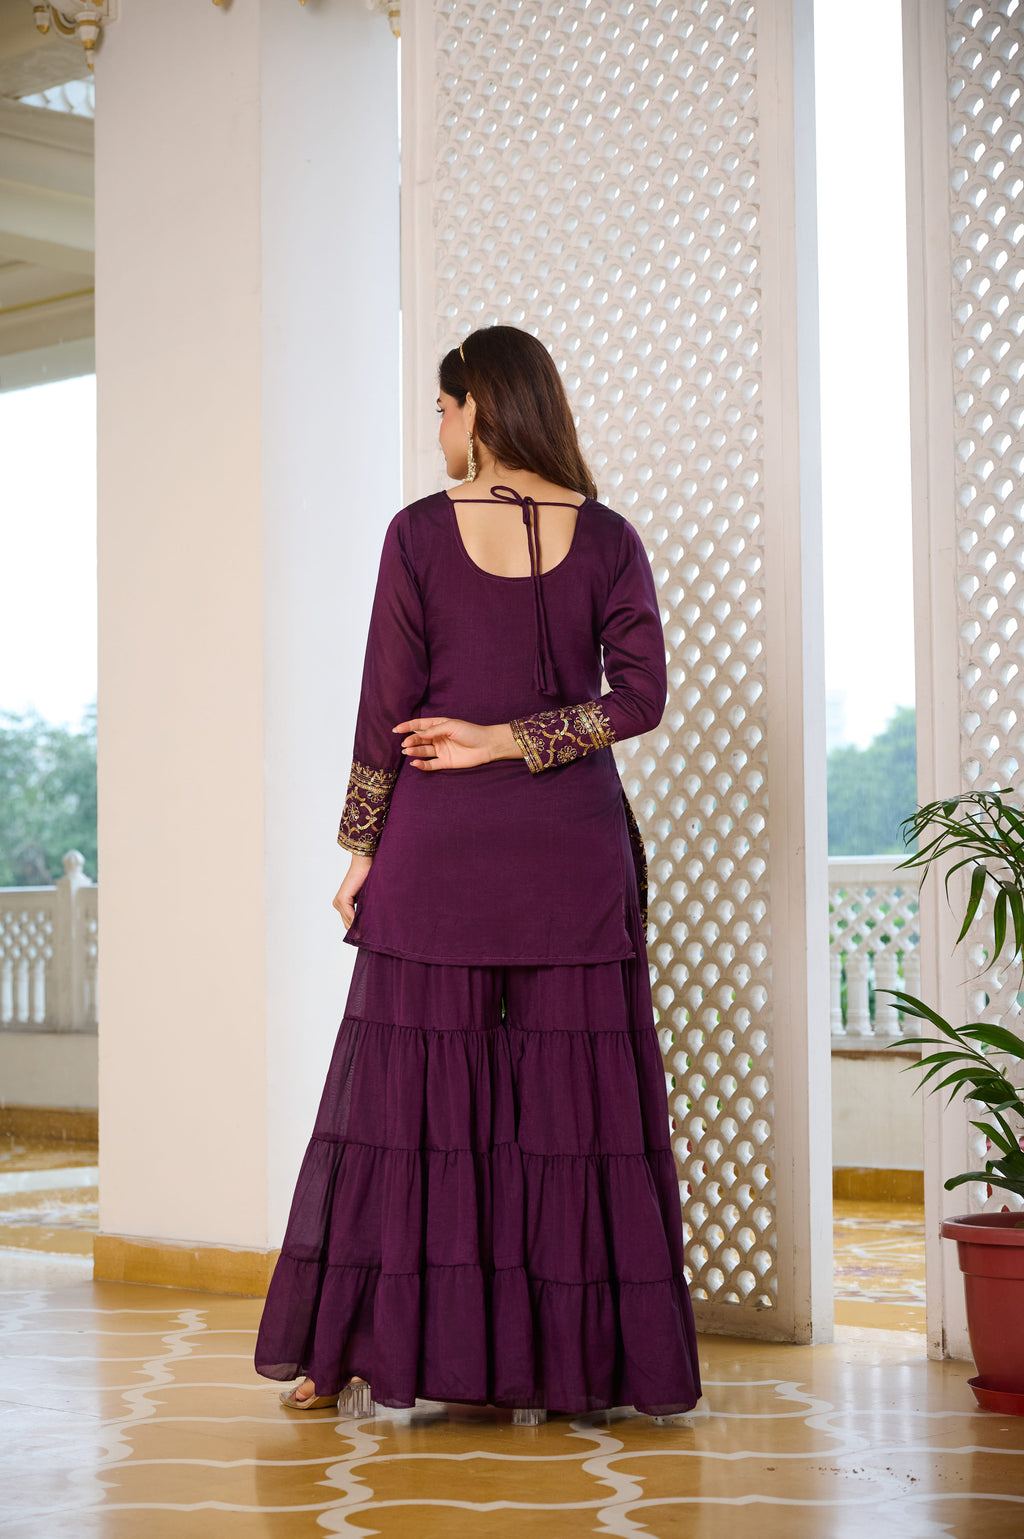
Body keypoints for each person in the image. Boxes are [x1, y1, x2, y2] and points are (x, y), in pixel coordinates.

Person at [253, 324, 701, 1424]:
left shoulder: (416, 533)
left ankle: (347, 1351)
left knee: (405, 1111)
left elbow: (384, 709)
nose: (439, 431)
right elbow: (638, 699)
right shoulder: (609, 537)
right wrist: (521, 739)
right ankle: (580, 1367)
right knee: (569, 1115)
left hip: (438, 852)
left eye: (444, 410)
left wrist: (361, 849)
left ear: (478, 410)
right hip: (574, 857)